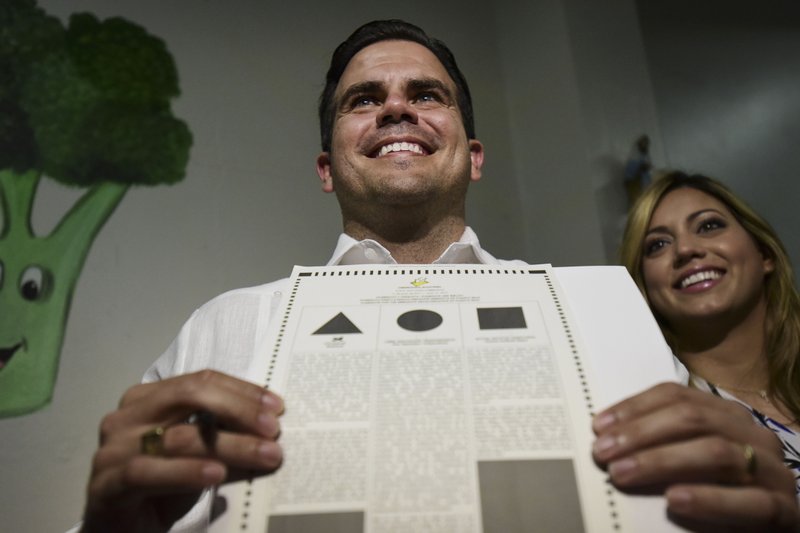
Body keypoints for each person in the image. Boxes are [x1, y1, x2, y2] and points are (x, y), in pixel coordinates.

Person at [78, 21, 799, 532]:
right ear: (327, 169)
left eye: (427, 94)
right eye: (364, 100)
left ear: (473, 154)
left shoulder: (601, 312)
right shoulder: (222, 326)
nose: (396, 106)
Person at [619, 171, 800, 493]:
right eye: (657, 245)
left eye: (708, 226)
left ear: (765, 254)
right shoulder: (658, 420)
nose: (686, 249)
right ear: (644, 288)